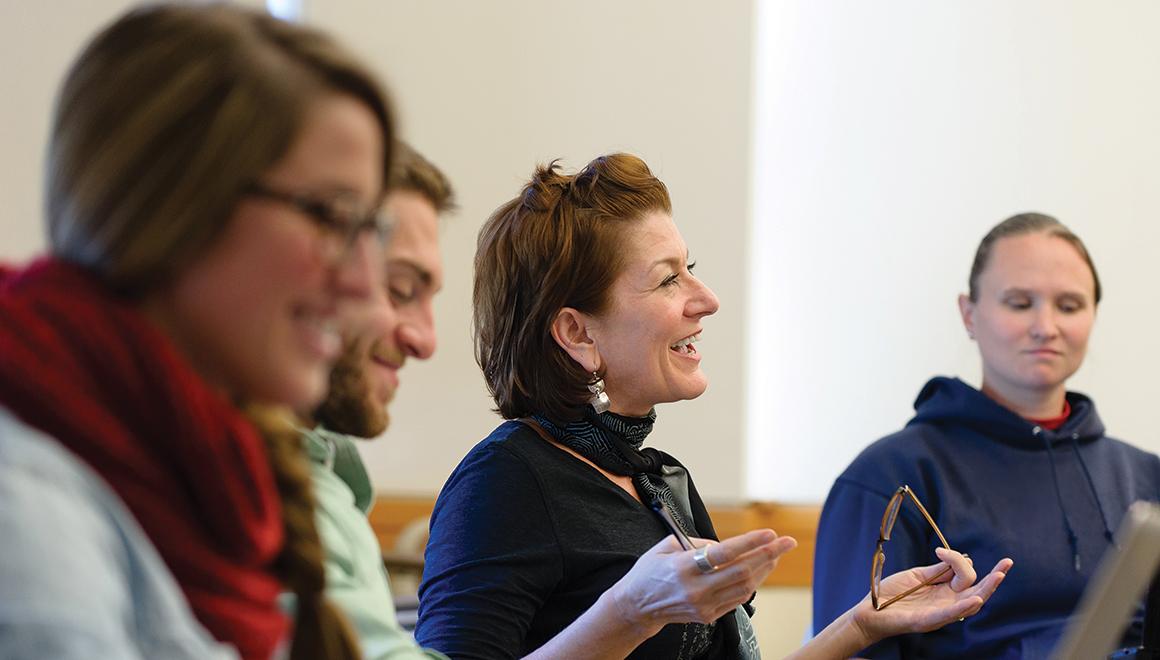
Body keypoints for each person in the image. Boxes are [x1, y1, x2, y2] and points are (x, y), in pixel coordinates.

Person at [415, 153, 1012, 659]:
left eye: (690, 270)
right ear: (577, 334)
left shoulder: (662, 481)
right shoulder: (503, 481)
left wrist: (862, 625)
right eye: (667, 279)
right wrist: (628, 611)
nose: (707, 299)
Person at [0, 4, 395, 659]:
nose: (364, 287)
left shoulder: (210, 483)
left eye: (370, 231)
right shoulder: (27, 514)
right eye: (331, 217)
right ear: (174, 205)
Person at [812, 212, 1160, 658]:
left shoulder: (1144, 475)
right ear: (969, 313)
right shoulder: (891, 475)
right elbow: (850, 648)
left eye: (1069, 306)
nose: (1045, 326)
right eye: (1019, 303)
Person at [301, 142, 452, 659]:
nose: (426, 340)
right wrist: (626, 615)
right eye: (401, 287)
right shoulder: (230, 484)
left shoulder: (322, 478)